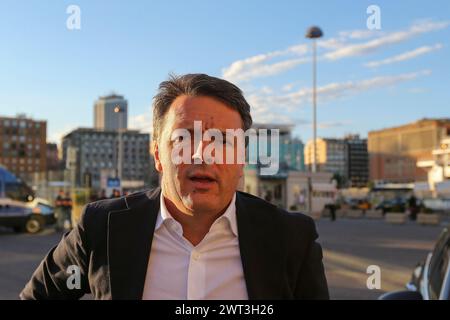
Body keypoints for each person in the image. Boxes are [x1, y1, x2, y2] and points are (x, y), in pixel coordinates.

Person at [21, 73, 329, 300]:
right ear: (158, 154)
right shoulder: (102, 226)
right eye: (184, 139)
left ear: (241, 159)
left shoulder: (290, 239)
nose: (202, 154)